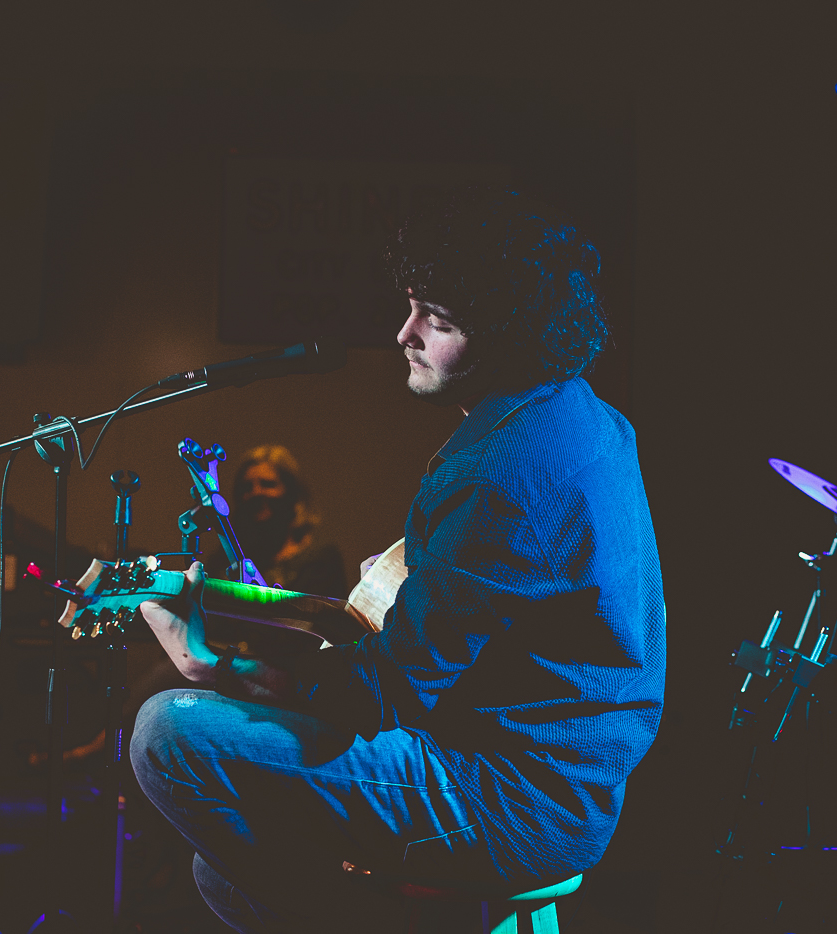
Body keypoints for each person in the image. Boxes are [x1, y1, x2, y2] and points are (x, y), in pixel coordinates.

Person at [129, 189, 666, 933]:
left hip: (505, 800)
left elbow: (385, 693)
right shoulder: (583, 414)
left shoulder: (501, 475)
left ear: (507, 338)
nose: (404, 333)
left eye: (437, 321)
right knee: (224, 878)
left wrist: (208, 665)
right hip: (572, 786)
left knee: (167, 735)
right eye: (414, 306)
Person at [228, 444, 348, 598]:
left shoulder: (321, 561)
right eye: (247, 487)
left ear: (292, 493)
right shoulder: (227, 561)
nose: (256, 493)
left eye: (267, 484)